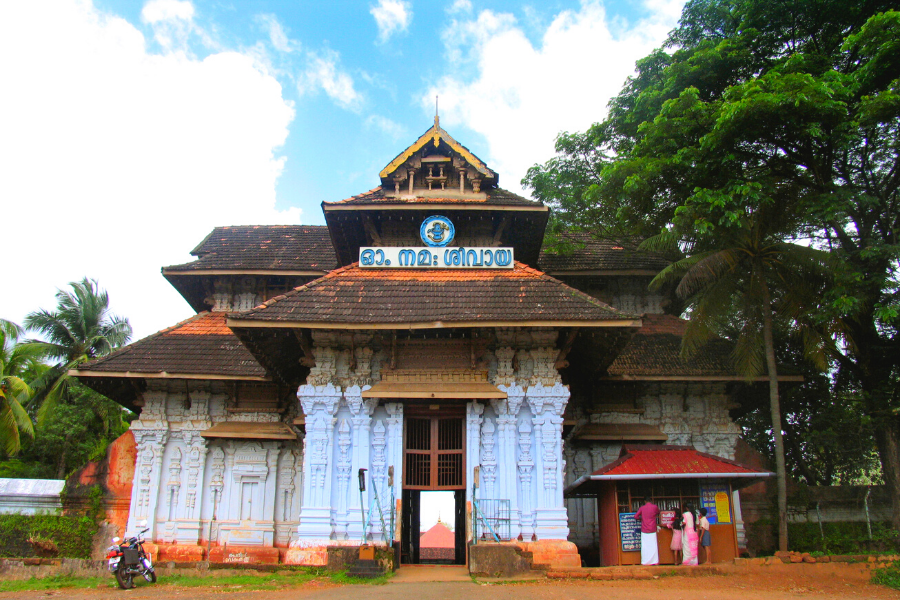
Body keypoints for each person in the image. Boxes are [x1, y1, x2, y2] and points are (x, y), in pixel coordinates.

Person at [634, 496, 660, 565]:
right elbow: (658, 512)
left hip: (644, 529)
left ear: (645, 501)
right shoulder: (654, 507)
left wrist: (641, 519)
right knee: (653, 545)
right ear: (651, 501)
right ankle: (654, 561)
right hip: (652, 529)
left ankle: (645, 561)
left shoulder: (642, 508)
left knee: (645, 546)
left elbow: (636, 516)